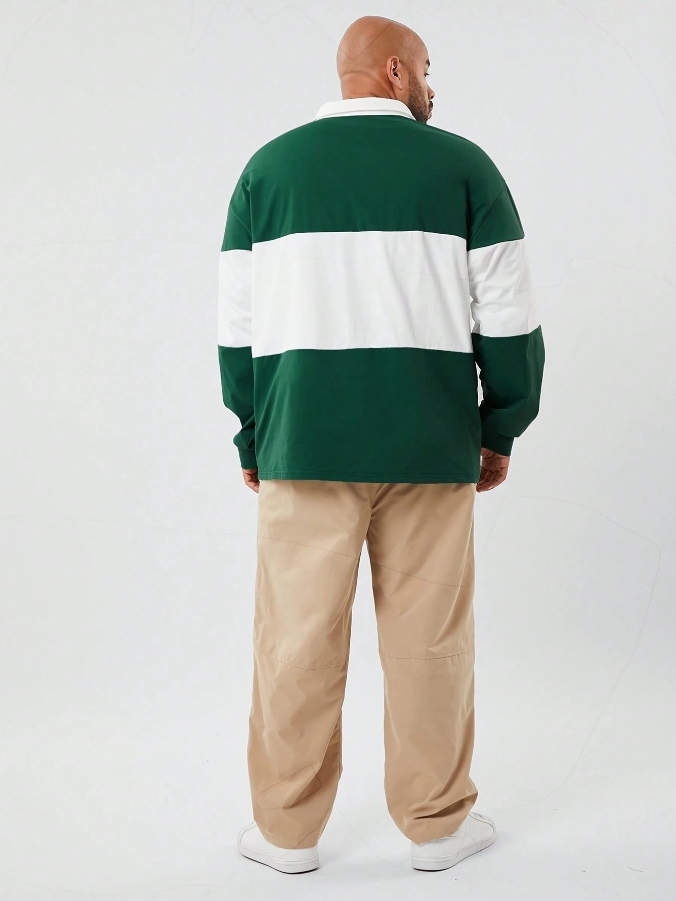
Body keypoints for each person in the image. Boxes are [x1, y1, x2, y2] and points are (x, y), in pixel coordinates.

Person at [217, 15, 545, 875]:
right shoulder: (464, 167)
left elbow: (238, 325)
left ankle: (286, 834)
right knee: (430, 642)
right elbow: (510, 317)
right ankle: (436, 826)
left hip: (303, 445)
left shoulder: (268, 170)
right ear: (396, 72)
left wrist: (252, 430)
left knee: (295, 640)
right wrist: (500, 425)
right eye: (428, 68)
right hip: (431, 444)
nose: (434, 86)